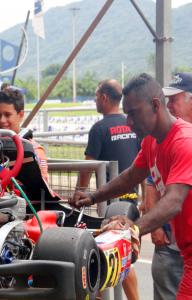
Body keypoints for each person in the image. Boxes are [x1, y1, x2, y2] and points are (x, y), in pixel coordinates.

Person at [70, 73, 192, 299]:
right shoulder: (151, 141)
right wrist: (93, 197)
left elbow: (174, 201)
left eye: (134, 114)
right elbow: (131, 176)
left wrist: (133, 229)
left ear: (156, 105)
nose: (129, 122)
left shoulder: (184, 142)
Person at [77, 79, 140, 300]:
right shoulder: (132, 124)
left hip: (109, 202)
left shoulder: (99, 129)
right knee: (123, 254)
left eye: (95, 96)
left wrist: (80, 193)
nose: (95, 100)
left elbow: (87, 166)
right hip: (132, 201)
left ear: (104, 97)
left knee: (109, 254)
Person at [142, 73, 192, 300]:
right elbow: (150, 178)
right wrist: (155, 226)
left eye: (174, 99)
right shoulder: (161, 136)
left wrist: (135, 229)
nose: (169, 105)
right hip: (170, 240)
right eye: (167, 99)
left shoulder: (184, 140)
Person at [0, 88, 48, 182]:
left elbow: (41, 189)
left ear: (21, 115)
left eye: (7, 115)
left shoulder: (34, 150)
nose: (2, 120)